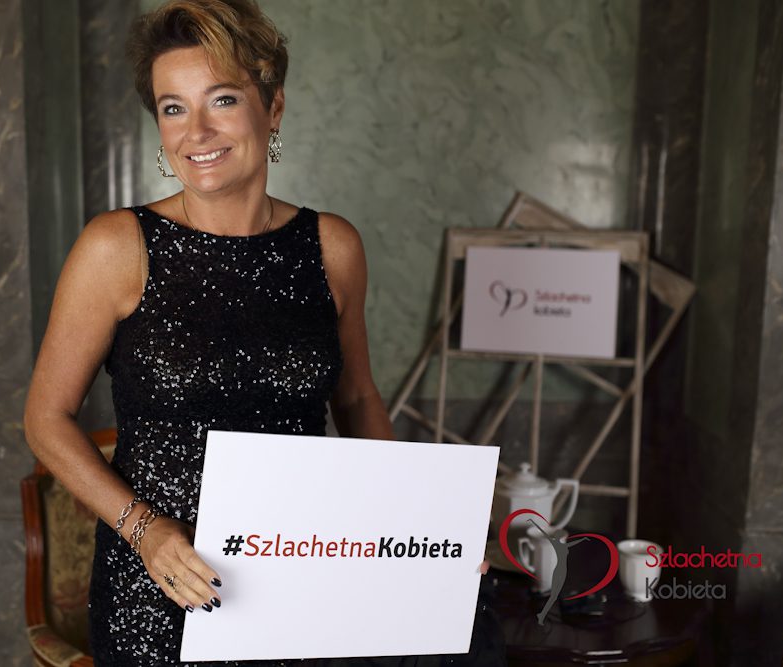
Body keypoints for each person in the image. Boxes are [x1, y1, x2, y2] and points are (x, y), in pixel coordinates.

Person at [25, 1, 502, 665]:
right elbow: (45, 419)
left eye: (222, 99)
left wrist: (415, 533)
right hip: (162, 587)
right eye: (173, 108)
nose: (196, 131)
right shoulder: (117, 246)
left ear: (273, 107)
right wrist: (145, 530)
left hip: (302, 577)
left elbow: (357, 397)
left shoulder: (332, 247)